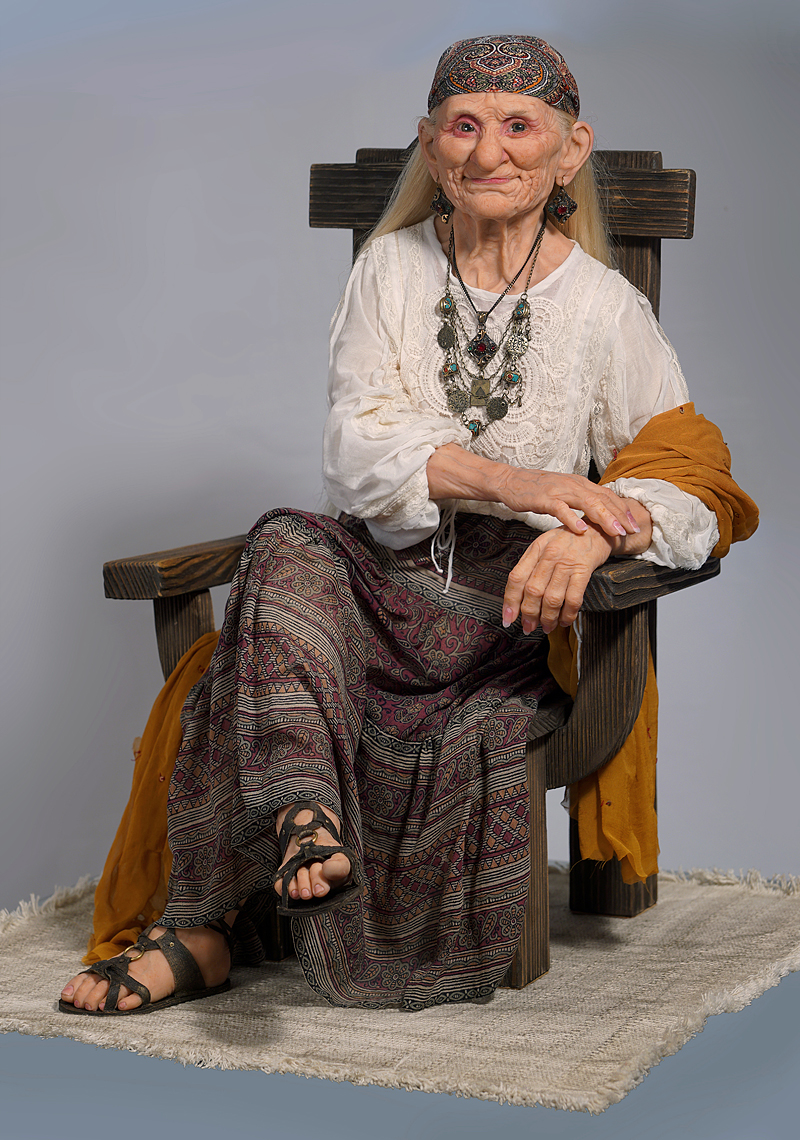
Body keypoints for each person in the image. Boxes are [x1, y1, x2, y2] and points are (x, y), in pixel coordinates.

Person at [59, 35, 754, 1016]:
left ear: (569, 150)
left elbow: (688, 477)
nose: (488, 151)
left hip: (501, 620)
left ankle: (203, 929)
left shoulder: (606, 309)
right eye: (462, 126)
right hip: (368, 589)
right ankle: (302, 819)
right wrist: (520, 483)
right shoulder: (389, 268)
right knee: (286, 536)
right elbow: (358, 447)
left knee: (250, 638)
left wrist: (596, 532)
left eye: (518, 126)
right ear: (430, 146)